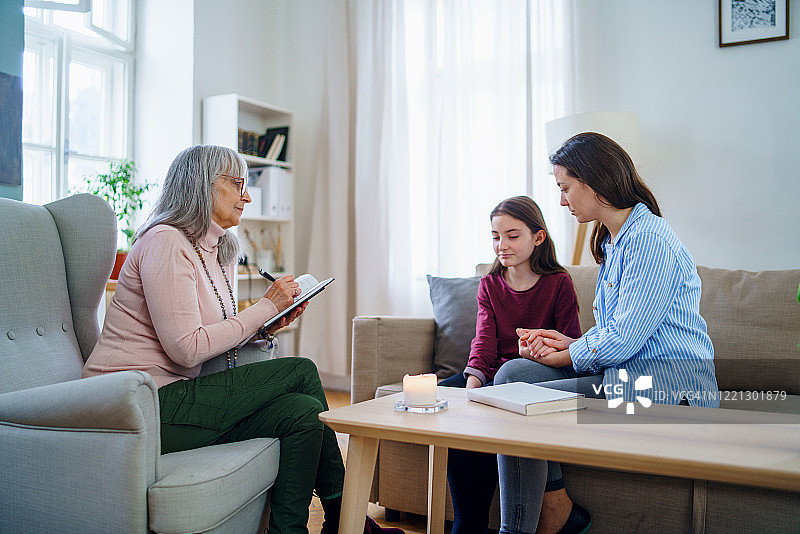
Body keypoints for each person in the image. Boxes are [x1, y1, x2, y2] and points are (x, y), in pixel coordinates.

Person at [82, 145, 402, 534]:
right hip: (139, 405)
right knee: (302, 370)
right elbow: (186, 348)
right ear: (202, 186)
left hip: (179, 396)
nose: (246, 196)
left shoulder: (215, 251)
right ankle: (347, 518)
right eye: (237, 184)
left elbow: (209, 341)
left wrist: (264, 328)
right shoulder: (164, 241)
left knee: (301, 411)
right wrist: (265, 307)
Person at [494, 132, 719, 534]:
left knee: (516, 394)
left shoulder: (649, 241)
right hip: (624, 378)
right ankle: (557, 509)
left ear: (592, 180)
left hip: (665, 394)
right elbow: (621, 328)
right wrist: (569, 343)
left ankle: (527, 527)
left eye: (564, 188)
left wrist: (568, 354)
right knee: (511, 376)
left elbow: (625, 340)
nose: (561, 201)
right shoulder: (616, 240)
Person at [437, 196, 583, 534]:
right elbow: (484, 340)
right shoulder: (490, 284)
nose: (502, 245)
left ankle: (480, 523)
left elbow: (569, 342)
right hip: (494, 373)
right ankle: (468, 520)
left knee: (501, 394)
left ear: (538, 237)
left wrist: (540, 348)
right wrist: (473, 385)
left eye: (512, 235)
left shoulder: (558, 283)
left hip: (538, 375)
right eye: (495, 236)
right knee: (450, 398)